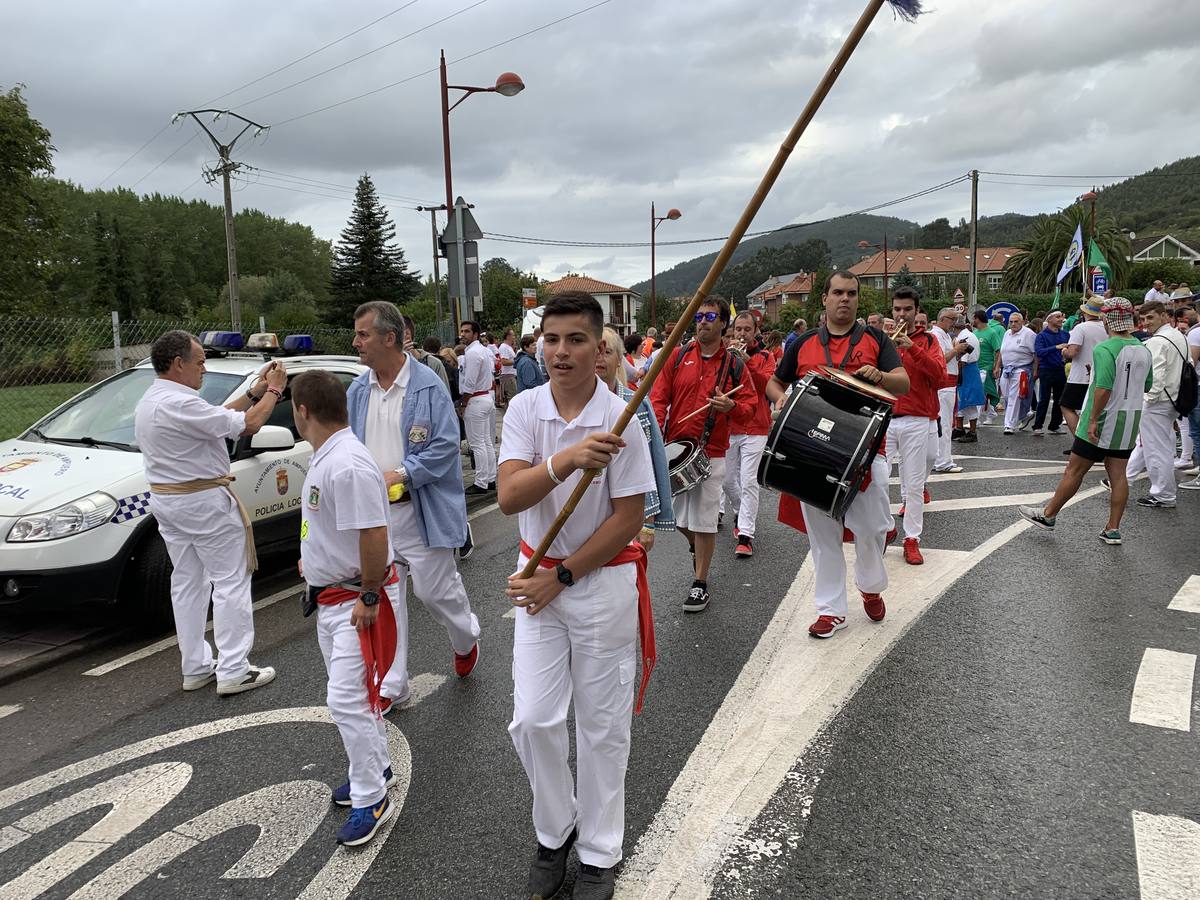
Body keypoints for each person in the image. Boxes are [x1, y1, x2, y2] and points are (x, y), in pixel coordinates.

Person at [498, 291, 654, 900]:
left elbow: (628, 517)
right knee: (533, 718)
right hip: (533, 578)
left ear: (600, 349)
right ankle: (555, 830)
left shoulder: (625, 417)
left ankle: (597, 852)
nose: (561, 352)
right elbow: (510, 497)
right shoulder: (525, 409)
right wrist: (566, 460)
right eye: (552, 339)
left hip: (597, 582)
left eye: (576, 340)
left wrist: (562, 577)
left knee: (602, 726)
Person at [134, 330, 283, 696]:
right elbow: (248, 425)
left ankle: (196, 666)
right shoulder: (181, 403)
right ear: (177, 363)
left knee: (187, 581)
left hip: (170, 501)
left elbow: (217, 417)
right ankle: (234, 668)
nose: (203, 368)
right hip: (203, 500)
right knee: (230, 581)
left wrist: (253, 393)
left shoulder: (155, 399)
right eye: (199, 362)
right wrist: (276, 391)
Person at [348, 302, 481, 704]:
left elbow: (442, 448)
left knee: (433, 592)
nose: (356, 343)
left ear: (390, 338)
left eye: (363, 335)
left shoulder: (426, 385)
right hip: (376, 517)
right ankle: (392, 684)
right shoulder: (357, 390)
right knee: (386, 599)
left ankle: (465, 638)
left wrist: (402, 474)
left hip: (420, 511)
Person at [765, 272, 910, 638]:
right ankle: (831, 610)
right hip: (812, 452)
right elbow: (775, 381)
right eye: (837, 293)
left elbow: (903, 382)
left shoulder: (875, 339)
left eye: (851, 293)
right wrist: (778, 398)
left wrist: (879, 375)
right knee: (823, 537)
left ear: (859, 300)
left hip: (866, 451)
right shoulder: (804, 343)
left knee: (872, 529)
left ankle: (870, 585)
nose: (844, 299)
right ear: (825, 299)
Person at [293, 370, 400, 846]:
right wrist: (311, 557)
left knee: (346, 700)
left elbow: (373, 532)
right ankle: (377, 768)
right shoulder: (327, 457)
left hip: (354, 600)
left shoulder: (347, 464)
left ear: (302, 411)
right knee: (354, 698)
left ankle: (370, 796)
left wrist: (370, 595)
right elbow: (328, 524)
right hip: (332, 597)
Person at [650, 296, 755, 613]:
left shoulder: (734, 365)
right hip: (675, 449)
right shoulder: (678, 356)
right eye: (699, 316)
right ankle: (699, 547)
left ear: (723, 323)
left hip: (712, 452)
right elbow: (657, 398)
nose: (703, 321)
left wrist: (732, 406)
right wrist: (654, 438)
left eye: (711, 316)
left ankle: (700, 583)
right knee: (675, 519)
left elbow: (750, 408)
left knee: (706, 520)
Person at [1019, 298, 1152, 545]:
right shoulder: (1144, 348)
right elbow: (1147, 384)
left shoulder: (1106, 348)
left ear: (1106, 320)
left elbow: (1103, 389)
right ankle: (1113, 528)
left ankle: (1048, 515)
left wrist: (1091, 420)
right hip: (1129, 418)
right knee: (1118, 475)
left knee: (1075, 470)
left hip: (1103, 418)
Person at [598, 326, 675, 548]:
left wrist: (647, 523)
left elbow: (647, 463)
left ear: (620, 359)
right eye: (594, 352)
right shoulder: (571, 405)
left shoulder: (635, 405)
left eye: (608, 352)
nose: (599, 358)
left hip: (626, 515)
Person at [886, 288, 942, 565]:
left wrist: (913, 349)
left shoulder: (929, 341)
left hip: (917, 419)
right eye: (897, 309)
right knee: (874, 480)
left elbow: (940, 376)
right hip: (885, 417)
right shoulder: (883, 342)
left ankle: (912, 539)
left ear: (916, 311)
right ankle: (886, 527)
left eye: (907, 309)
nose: (902, 314)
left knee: (914, 485)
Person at [720, 311, 776, 559]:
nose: (742, 334)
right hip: (731, 425)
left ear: (755, 332)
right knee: (727, 480)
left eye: (746, 329)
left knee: (749, 480)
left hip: (756, 426)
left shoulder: (765, 356)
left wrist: (747, 363)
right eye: (738, 329)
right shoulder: (725, 357)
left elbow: (767, 386)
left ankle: (745, 534)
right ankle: (741, 511)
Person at [1125, 300, 1188, 508]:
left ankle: (1163, 495)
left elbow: (1156, 376)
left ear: (1163, 316)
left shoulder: (1158, 341)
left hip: (1159, 401)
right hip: (1172, 399)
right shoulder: (1177, 335)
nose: (1145, 323)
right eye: (1142, 319)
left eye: (1150, 317)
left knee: (1156, 450)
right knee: (1157, 446)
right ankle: (1128, 478)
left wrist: (1146, 399)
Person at [1061, 296, 1108, 447]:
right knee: (1095, 410)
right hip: (1101, 374)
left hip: (1080, 375)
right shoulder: (1107, 328)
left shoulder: (1080, 328)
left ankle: (1081, 442)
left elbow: (1073, 351)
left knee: (1066, 406)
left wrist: (1064, 351)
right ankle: (1098, 440)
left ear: (1085, 313)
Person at [459, 320, 497, 495]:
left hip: (476, 399)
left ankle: (481, 482)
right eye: (462, 331)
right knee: (485, 441)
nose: (463, 334)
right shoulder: (483, 351)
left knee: (477, 443)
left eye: (467, 331)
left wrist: (464, 403)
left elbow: (469, 382)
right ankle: (489, 479)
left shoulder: (473, 353)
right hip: (485, 396)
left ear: (475, 334)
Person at [929, 307, 968, 473]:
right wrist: (956, 350)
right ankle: (943, 461)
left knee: (946, 423)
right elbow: (939, 360)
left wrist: (956, 351)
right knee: (944, 424)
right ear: (943, 318)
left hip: (948, 383)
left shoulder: (942, 335)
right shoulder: (936, 335)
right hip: (944, 384)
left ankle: (943, 459)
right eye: (952, 319)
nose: (954, 324)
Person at [994, 312, 1036, 434]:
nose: (1013, 324)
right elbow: (1002, 352)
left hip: (1021, 369)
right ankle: (1025, 415)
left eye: (1016, 321)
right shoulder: (1007, 333)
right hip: (1006, 370)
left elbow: (1035, 354)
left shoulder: (1029, 334)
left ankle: (1009, 425)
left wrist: (1035, 370)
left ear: (1022, 322)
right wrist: (997, 367)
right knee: (1006, 396)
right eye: (1011, 321)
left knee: (1014, 397)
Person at [1031, 310, 1069, 435]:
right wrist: (1056, 347)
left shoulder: (1065, 334)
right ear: (1050, 319)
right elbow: (1039, 352)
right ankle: (1038, 425)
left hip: (1060, 369)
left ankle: (1054, 425)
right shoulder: (1041, 336)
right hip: (1046, 369)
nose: (1060, 319)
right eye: (1057, 317)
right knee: (1044, 398)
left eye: (1061, 317)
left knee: (1059, 399)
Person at [954, 315, 984, 443]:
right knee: (962, 400)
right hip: (969, 369)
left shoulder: (964, 337)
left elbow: (962, 360)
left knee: (968, 400)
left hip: (966, 370)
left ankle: (972, 432)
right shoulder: (968, 334)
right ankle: (959, 428)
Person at [972, 308, 1003, 423]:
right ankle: (991, 413)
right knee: (985, 392)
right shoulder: (974, 333)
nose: (972, 321)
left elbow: (998, 351)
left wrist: (996, 367)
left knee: (980, 391)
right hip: (976, 367)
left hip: (987, 367)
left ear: (978, 319)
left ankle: (977, 419)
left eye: (973, 318)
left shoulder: (992, 333)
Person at [498, 329, 518, 407]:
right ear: (508, 336)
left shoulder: (508, 347)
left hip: (510, 376)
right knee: (511, 398)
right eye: (513, 335)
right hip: (508, 377)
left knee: (512, 398)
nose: (514, 337)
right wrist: (516, 361)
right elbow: (504, 361)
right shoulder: (504, 347)